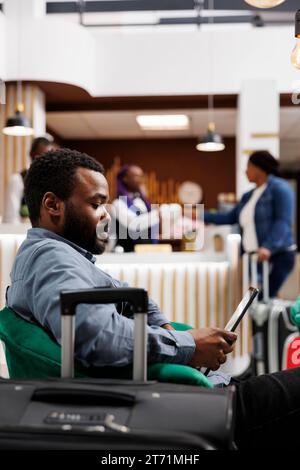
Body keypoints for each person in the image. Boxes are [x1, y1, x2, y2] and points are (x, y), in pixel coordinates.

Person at [5, 148, 300, 449]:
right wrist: (189, 346)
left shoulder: (63, 257)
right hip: (211, 410)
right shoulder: (53, 261)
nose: (106, 214)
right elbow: (95, 334)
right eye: (96, 204)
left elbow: (135, 299)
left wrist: (170, 333)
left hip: (206, 398)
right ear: (53, 204)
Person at [204, 151, 296, 298]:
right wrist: (201, 214)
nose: (245, 171)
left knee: (265, 302)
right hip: (254, 258)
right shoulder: (249, 196)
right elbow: (228, 217)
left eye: (248, 166)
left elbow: (283, 221)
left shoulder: (280, 188)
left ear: (259, 168)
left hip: (277, 256)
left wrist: (268, 247)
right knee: (256, 304)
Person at [2, 136, 54, 224]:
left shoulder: (51, 181)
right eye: (41, 155)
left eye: (48, 157)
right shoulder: (18, 179)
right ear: (31, 154)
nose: (44, 160)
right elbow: (11, 217)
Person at [111, 164, 159, 252]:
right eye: (137, 176)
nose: (141, 180)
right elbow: (133, 224)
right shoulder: (118, 204)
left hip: (148, 251)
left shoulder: (143, 202)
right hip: (127, 253)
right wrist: (158, 214)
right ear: (125, 179)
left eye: (142, 176)